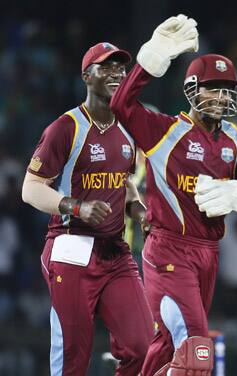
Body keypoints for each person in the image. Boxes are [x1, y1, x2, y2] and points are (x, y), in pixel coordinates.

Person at [110, 15, 237, 375]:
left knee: (166, 347)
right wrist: (148, 63)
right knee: (197, 349)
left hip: (208, 255)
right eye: (213, 87)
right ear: (192, 89)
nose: (222, 95)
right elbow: (121, 106)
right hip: (168, 248)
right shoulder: (164, 132)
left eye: (228, 88)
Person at [21, 42, 153, 375]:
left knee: (140, 345)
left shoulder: (128, 128)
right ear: (86, 76)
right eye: (106, 67)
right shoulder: (65, 128)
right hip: (71, 244)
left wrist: (139, 212)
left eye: (120, 68)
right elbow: (31, 189)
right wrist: (75, 206)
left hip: (115, 251)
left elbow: (122, 183)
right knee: (72, 356)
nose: (116, 74)